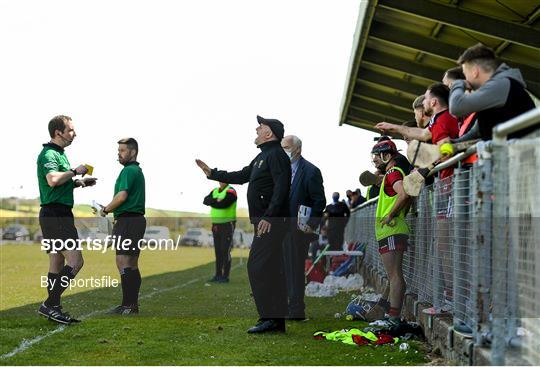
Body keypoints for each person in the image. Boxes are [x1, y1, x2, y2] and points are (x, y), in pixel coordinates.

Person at [195, 115, 291, 334]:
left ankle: (270, 318)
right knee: (270, 269)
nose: (257, 129)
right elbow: (240, 175)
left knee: (257, 267)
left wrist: (269, 216)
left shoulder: (276, 154)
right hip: (266, 221)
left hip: (271, 222)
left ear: (269, 134)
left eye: (261, 126)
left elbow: (282, 186)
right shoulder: (263, 156)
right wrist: (212, 173)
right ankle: (275, 321)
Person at [37, 115, 96, 324]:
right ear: (58, 132)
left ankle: (53, 306)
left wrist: (79, 182)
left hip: (58, 213)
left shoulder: (60, 154)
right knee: (76, 261)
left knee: (57, 260)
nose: (74, 133)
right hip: (55, 215)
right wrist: (73, 171)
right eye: (70, 130)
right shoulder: (49, 154)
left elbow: (61, 183)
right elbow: (52, 180)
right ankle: (50, 305)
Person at [449, 43, 536, 141]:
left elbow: (456, 107)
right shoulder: (496, 87)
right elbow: (478, 130)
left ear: (475, 71)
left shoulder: (500, 85)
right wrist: (455, 143)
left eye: (465, 74)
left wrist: (458, 83)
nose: (465, 79)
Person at [280, 134, 325, 320]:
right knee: (280, 268)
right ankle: (280, 304)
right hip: (278, 227)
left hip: (298, 230)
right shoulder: (279, 170)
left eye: (286, 147)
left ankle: (296, 308)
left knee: (295, 268)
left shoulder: (311, 171)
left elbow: (319, 201)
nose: (283, 151)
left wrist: (311, 224)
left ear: (297, 149)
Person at [375, 83, 459, 180]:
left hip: (451, 179)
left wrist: (423, 169)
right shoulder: (440, 120)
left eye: (426, 98)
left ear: (433, 102)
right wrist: (393, 127)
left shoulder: (442, 121)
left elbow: (446, 152)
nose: (423, 102)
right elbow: (422, 134)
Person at [100, 138, 146, 315]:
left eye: (122, 151)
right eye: (118, 150)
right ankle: (131, 305)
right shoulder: (136, 170)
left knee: (123, 261)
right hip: (133, 220)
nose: (118, 154)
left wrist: (105, 209)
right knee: (131, 263)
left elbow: (121, 197)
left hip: (129, 220)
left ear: (132, 152)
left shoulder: (128, 171)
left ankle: (128, 305)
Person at [371, 138, 411, 326]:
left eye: (376, 156)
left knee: (395, 275)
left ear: (387, 155)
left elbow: (403, 194)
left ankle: (394, 318)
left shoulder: (394, 173)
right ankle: (388, 312)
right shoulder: (392, 173)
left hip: (392, 229)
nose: (374, 160)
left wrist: (390, 215)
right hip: (390, 231)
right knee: (393, 275)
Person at [203, 182, 237, 283]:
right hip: (216, 224)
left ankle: (225, 276)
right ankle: (218, 275)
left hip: (227, 224)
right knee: (218, 251)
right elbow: (205, 200)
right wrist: (216, 201)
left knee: (225, 250)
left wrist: (213, 202)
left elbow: (224, 204)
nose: (221, 181)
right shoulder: (214, 191)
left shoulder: (231, 191)